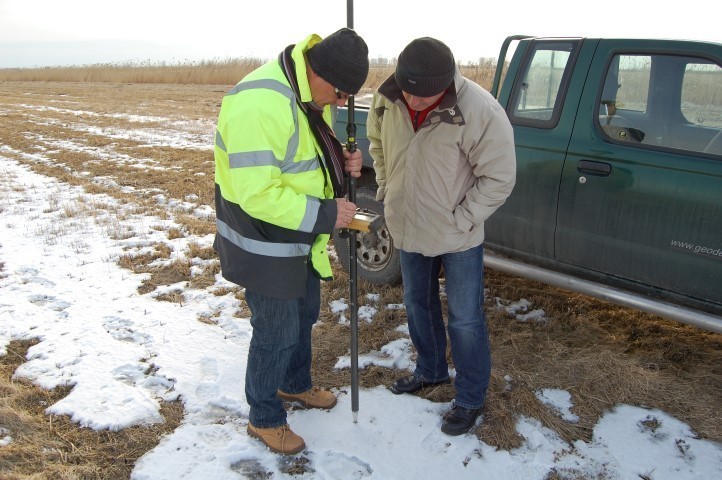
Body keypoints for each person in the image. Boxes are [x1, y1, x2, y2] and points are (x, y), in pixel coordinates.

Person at [213, 28, 369, 454]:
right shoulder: (260, 103)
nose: (340, 103)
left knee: (304, 314)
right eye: (339, 93)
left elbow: (305, 153)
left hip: (298, 236)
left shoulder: (309, 94)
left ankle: (293, 384)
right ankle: (263, 417)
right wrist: (325, 213)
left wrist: (342, 160)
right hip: (263, 240)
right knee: (276, 329)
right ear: (320, 72)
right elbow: (255, 192)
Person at [367, 37, 516, 436]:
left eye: (424, 95)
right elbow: (377, 144)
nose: (414, 103)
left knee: (465, 319)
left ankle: (469, 398)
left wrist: (463, 219)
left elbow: (499, 178)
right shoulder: (387, 98)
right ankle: (430, 371)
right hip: (408, 226)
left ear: (446, 82)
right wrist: (385, 186)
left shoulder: (479, 111)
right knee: (418, 303)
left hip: (458, 235)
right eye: (409, 93)